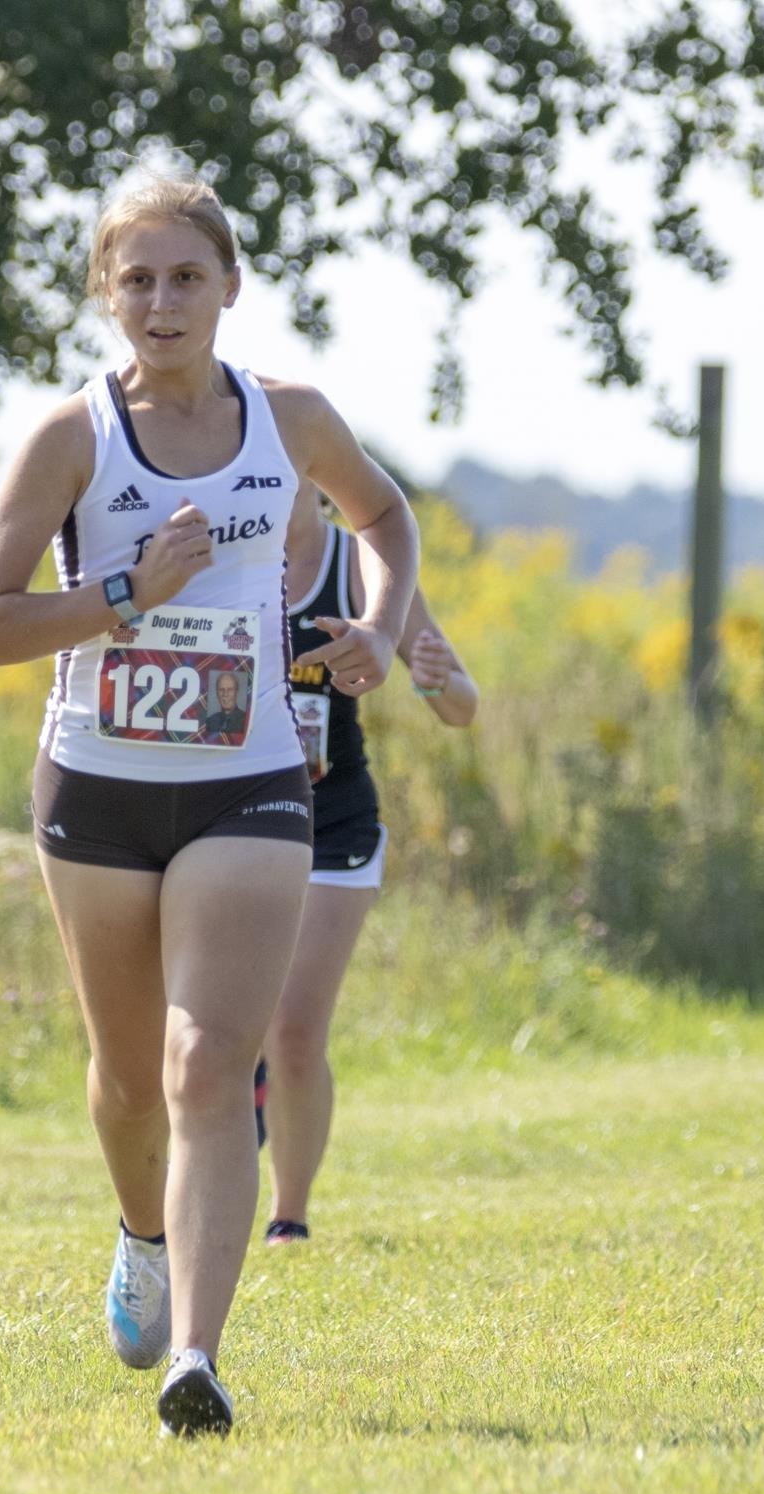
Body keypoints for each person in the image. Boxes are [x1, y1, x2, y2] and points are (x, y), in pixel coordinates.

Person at [0, 173, 420, 1437]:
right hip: (98, 790)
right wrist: (125, 592)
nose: (161, 302)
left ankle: (195, 1359)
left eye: (185, 277)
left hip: (249, 780)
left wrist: (379, 629)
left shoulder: (290, 419)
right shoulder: (72, 438)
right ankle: (139, 1233)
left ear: (229, 287)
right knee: (124, 1080)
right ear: (105, 294)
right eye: (136, 279)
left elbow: (383, 514)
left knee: (208, 1062)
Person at [257, 483, 478, 1247]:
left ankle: (288, 1216)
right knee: (218, 1025)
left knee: (293, 1030)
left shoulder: (356, 564)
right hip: (231, 823)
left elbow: (460, 704)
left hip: (333, 826)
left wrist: (435, 674)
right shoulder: (223, 554)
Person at [199, 669, 249, 738]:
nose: (225, 694)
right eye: (221, 690)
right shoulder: (210, 721)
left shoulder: (245, 721)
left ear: (236, 692)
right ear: (217, 693)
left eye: (230, 690)